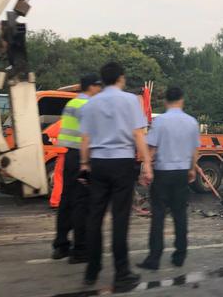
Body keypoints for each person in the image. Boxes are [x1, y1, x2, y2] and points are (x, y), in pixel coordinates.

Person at [79, 62, 153, 291]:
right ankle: (121, 273)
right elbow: (138, 134)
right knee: (120, 219)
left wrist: (84, 164)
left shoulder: (91, 103)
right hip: (122, 163)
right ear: (121, 78)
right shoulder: (131, 100)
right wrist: (147, 164)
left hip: (98, 163)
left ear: (102, 80)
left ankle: (92, 270)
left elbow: (85, 139)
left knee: (95, 217)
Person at [136, 86, 199, 271]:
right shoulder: (191, 122)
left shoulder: (160, 121)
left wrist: (146, 170)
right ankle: (179, 255)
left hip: (163, 174)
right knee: (180, 215)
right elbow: (195, 150)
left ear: (165, 101)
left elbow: (151, 148)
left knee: (158, 216)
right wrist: (191, 169)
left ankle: (154, 258)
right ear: (182, 100)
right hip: (181, 173)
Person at [52, 74, 102, 263]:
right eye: (98, 87)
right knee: (82, 203)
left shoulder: (72, 104)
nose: (99, 90)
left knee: (66, 200)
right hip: (83, 156)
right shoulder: (88, 106)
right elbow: (88, 136)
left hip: (69, 156)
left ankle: (60, 245)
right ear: (91, 87)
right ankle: (80, 248)